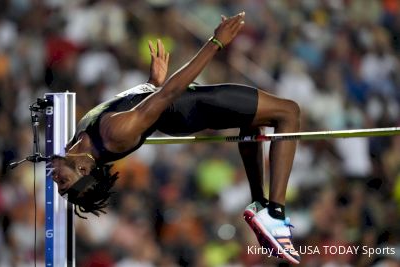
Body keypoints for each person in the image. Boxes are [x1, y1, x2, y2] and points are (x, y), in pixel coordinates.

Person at [51, 12, 301, 264]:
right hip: (190, 107)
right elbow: (169, 93)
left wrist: (151, 83)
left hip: (180, 107)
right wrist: (215, 42)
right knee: (288, 112)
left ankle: (259, 204)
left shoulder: (80, 137)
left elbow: (132, 103)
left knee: (254, 120)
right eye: (64, 182)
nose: (54, 179)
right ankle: (275, 214)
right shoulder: (114, 135)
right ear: (83, 169)